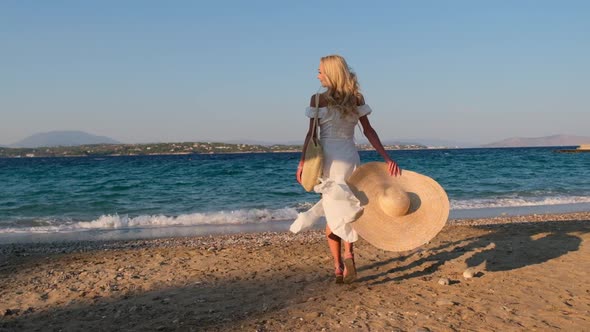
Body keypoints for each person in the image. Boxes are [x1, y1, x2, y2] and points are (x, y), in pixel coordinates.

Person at [293, 54, 401, 284]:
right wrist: (386, 156)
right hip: (350, 158)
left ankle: (337, 268)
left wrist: (303, 162)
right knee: (347, 208)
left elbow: (311, 136)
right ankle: (349, 253)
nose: (317, 74)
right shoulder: (356, 98)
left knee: (333, 213)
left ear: (331, 73)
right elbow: (369, 131)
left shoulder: (316, 99)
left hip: (328, 161)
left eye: (321, 70)